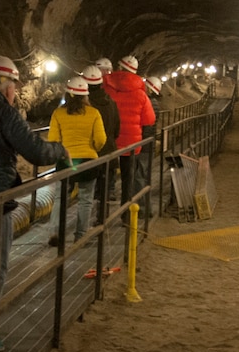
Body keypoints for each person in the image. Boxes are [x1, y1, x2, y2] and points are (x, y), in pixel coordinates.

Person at [0, 56, 68, 352]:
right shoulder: (4, 111)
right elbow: (33, 150)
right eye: (14, 86)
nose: (15, 92)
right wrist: (60, 150)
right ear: (6, 85)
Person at [46, 75, 106, 243]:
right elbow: (101, 139)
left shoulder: (58, 114)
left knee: (60, 198)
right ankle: (81, 235)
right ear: (86, 95)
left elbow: (53, 140)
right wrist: (93, 148)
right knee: (85, 200)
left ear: (68, 94)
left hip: (67, 161)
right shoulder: (94, 113)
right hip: (89, 160)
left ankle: (55, 233)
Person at [102, 55, 156, 223]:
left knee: (105, 177)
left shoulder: (107, 87)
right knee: (128, 179)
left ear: (120, 67)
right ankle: (126, 215)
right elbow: (149, 120)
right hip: (131, 143)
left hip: (109, 140)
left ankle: (101, 216)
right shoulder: (141, 93)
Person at [82, 65, 120, 219]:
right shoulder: (111, 103)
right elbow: (117, 128)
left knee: (86, 194)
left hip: (89, 154)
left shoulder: (85, 106)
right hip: (109, 151)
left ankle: (83, 228)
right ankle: (101, 222)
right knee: (104, 191)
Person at [134, 76, 162, 218]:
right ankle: (144, 207)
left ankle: (144, 209)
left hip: (144, 145)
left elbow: (145, 125)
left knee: (139, 176)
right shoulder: (155, 103)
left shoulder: (149, 103)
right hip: (149, 144)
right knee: (144, 176)